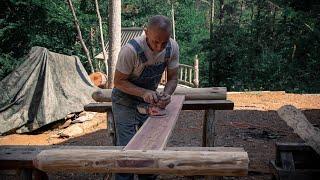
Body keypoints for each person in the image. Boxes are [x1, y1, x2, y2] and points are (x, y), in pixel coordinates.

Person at [111, 15, 179, 180]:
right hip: (124, 100)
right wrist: (143, 92)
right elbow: (118, 82)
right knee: (126, 149)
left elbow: (173, 79)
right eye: (155, 41)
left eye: (164, 42)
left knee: (149, 145)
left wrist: (167, 94)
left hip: (149, 100)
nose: (159, 47)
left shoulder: (172, 48)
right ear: (146, 32)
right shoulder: (131, 50)